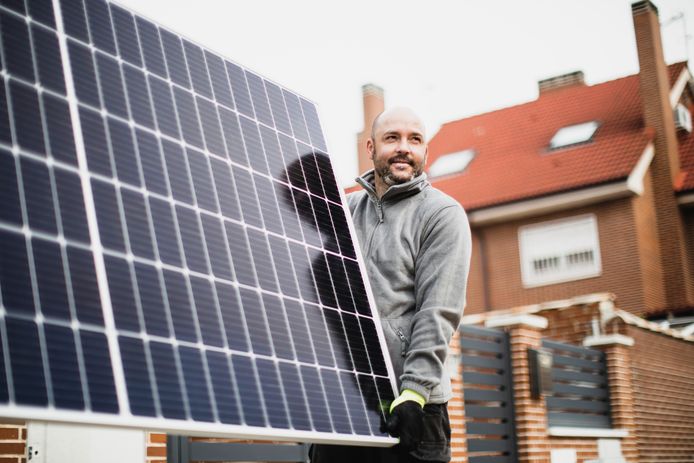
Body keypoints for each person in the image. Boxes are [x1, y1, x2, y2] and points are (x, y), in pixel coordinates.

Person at [310, 107, 471, 462]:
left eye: (415, 139)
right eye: (392, 138)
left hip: (413, 409)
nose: (404, 148)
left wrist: (414, 392)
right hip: (350, 404)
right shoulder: (346, 211)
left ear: (425, 151)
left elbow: (438, 312)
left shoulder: (441, 214)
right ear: (370, 146)